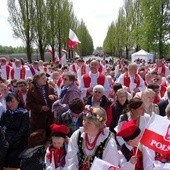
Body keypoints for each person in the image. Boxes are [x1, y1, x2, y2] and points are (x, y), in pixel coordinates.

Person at [64, 105, 119, 170]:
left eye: (89, 123)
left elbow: (109, 166)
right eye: (84, 120)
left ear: (99, 126)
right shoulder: (77, 135)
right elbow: (71, 159)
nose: (84, 124)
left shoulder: (108, 143)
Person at [0, 93, 29, 168]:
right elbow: (2, 127)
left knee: (12, 157)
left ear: (18, 101)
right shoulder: (6, 113)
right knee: (2, 155)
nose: (10, 104)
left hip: (20, 139)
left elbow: (22, 131)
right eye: (8, 102)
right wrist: (5, 141)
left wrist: (10, 142)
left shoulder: (24, 113)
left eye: (12, 101)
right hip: (7, 139)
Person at [27, 72, 57, 139]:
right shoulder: (31, 90)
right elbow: (29, 104)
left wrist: (53, 97)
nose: (45, 79)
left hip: (49, 116)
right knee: (39, 137)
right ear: (37, 80)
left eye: (45, 78)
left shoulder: (50, 87)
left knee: (50, 135)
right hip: (38, 118)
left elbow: (56, 97)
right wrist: (41, 107)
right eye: (43, 78)